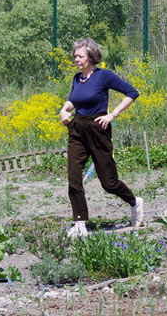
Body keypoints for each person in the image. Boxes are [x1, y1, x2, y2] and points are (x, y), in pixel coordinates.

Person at [59, 38, 144, 238]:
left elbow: (132, 92)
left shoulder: (104, 76)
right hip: (77, 129)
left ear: (91, 56)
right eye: (75, 57)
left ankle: (134, 202)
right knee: (73, 178)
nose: (76, 59)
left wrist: (112, 115)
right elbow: (73, 100)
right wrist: (64, 110)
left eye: (80, 56)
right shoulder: (77, 78)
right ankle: (80, 223)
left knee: (109, 183)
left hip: (98, 129)